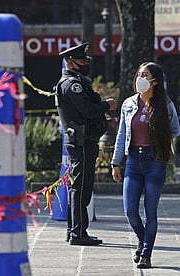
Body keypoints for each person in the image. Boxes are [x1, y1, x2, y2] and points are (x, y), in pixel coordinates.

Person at [111, 62, 180, 268]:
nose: (141, 78)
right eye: (139, 74)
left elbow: (175, 129)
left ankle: (147, 254)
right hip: (133, 160)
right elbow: (122, 134)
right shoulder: (129, 104)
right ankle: (143, 240)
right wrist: (116, 162)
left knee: (151, 211)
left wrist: (159, 138)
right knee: (130, 210)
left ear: (155, 81)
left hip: (155, 160)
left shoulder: (165, 105)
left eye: (146, 75)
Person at [55, 42, 117, 246]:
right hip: (81, 141)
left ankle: (74, 230)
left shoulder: (76, 82)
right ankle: (78, 233)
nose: (85, 63)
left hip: (83, 140)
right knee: (81, 188)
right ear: (71, 62)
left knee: (80, 187)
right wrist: (106, 105)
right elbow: (87, 111)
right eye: (81, 60)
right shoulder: (72, 85)